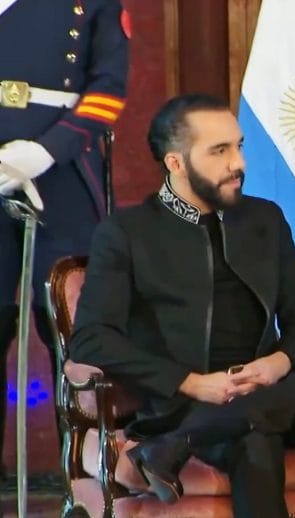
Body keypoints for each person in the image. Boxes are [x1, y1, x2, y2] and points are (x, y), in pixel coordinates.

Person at [69, 93, 295, 517]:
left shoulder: (265, 219)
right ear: (176, 163)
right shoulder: (127, 232)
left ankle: (178, 446)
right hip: (186, 403)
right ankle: (188, 432)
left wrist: (277, 364)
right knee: (255, 439)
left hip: (275, 390)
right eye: (219, 151)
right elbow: (91, 339)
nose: (238, 163)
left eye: (238, 146)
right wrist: (191, 382)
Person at [0, 0, 129, 471]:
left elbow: (109, 89)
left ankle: (86, 475)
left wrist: (44, 151)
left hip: (64, 176)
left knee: (71, 328)